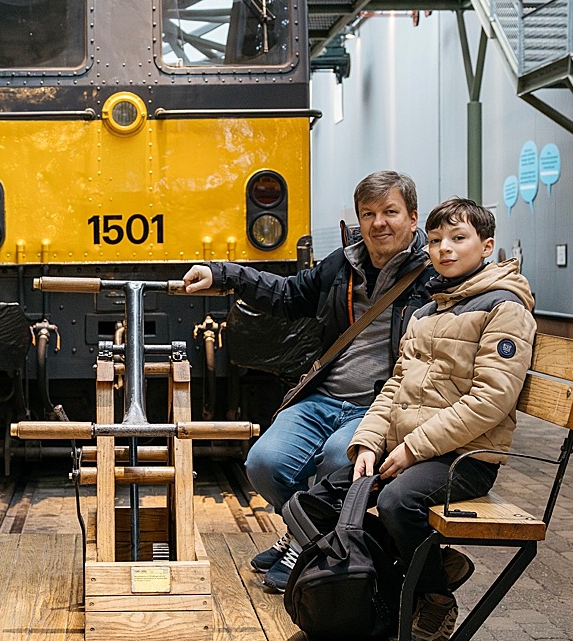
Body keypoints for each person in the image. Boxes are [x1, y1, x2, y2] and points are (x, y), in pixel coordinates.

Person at [287, 197, 536, 641]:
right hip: (410, 448)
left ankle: (435, 595)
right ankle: (416, 568)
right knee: (320, 500)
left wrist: (412, 449)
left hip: (465, 456)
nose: (444, 249)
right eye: (438, 240)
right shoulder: (428, 311)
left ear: (487, 247)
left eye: (458, 239)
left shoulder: (505, 308)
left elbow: (491, 400)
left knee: (400, 500)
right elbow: (394, 387)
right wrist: (367, 443)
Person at [181, 170, 441, 590]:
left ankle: (304, 547)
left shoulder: (433, 280)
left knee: (340, 459)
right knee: (264, 463)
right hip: (322, 398)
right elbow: (286, 294)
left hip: (380, 406)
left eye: (391, 212)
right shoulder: (343, 265)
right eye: (369, 213)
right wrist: (224, 274)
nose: (380, 223)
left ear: (413, 218)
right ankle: (309, 534)